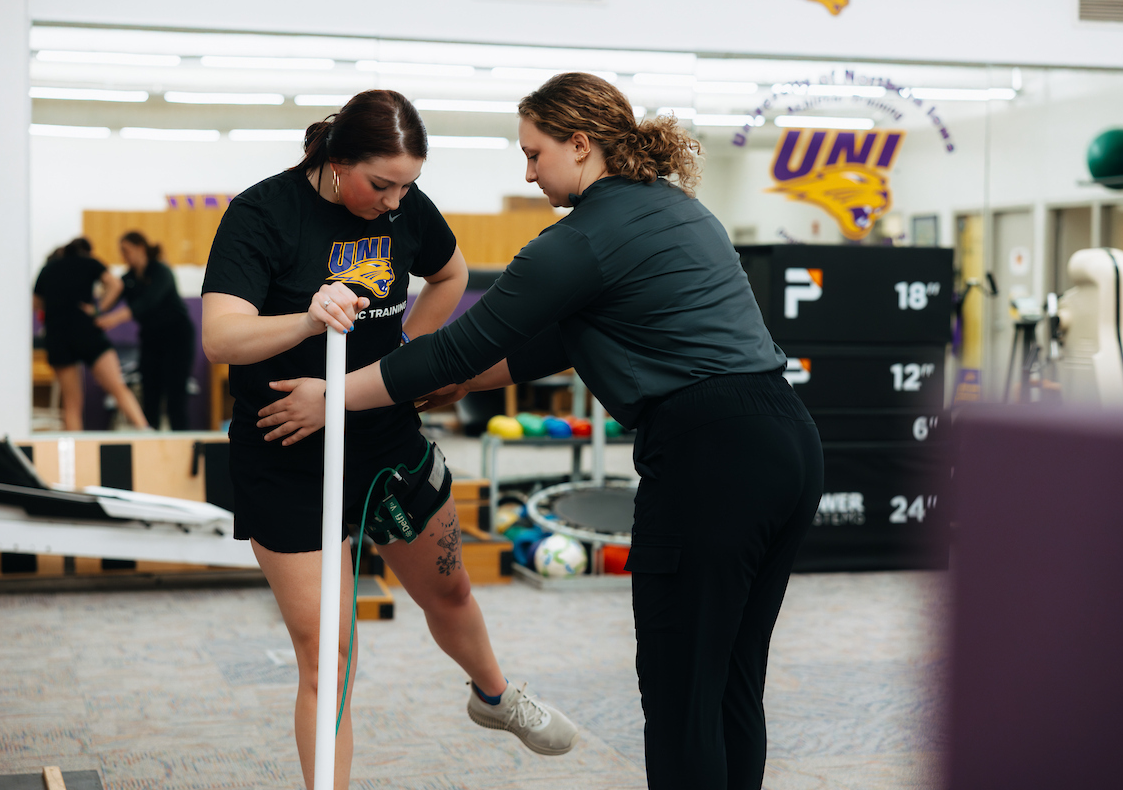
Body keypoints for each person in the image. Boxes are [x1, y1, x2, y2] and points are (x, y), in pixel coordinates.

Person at [322, 73, 825, 790]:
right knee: (730, 683)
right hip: (788, 444)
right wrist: (454, 386)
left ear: (581, 145)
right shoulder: (676, 212)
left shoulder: (579, 239)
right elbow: (542, 345)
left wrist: (334, 396)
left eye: (534, 153)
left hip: (710, 460)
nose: (527, 171)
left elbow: (460, 346)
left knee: (682, 695)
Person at [200, 89, 578, 790]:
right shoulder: (262, 215)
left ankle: (494, 697)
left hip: (381, 436)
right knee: (330, 652)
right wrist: (308, 320)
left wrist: (409, 360)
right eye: (382, 184)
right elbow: (221, 337)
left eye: (409, 184)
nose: (397, 201)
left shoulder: (404, 205)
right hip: (283, 450)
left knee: (451, 594)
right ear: (336, 161)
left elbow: (451, 273)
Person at [33, 237, 149, 431]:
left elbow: (36, 304)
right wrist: (99, 308)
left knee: (72, 403)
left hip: (58, 336)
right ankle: (144, 431)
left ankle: (74, 454)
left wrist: (57, 306)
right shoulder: (89, 262)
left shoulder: (47, 269)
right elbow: (115, 285)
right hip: (86, 331)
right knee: (117, 387)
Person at [94, 232, 196, 430]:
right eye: (121, 252)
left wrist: (113, 319)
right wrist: (99, 305)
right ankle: (151, 440)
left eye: (126, 250)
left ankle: (183, 443)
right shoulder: (128, 278)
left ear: (140, 247)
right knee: (150, 394)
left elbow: (147, 302)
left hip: (177, 338)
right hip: (151, 339)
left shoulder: (161, 271)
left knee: (176, 395)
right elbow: (107, 302)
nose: (124, 256)